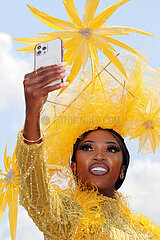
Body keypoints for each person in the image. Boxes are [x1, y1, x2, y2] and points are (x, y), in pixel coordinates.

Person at [16, 63, 160, 240]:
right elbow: (37, 195)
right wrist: (32, 114)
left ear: (122, 170)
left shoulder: (147, 231)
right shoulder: (67, 218)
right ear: (73, 166)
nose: (99, 156)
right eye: (87, 148)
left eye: (111, 149)